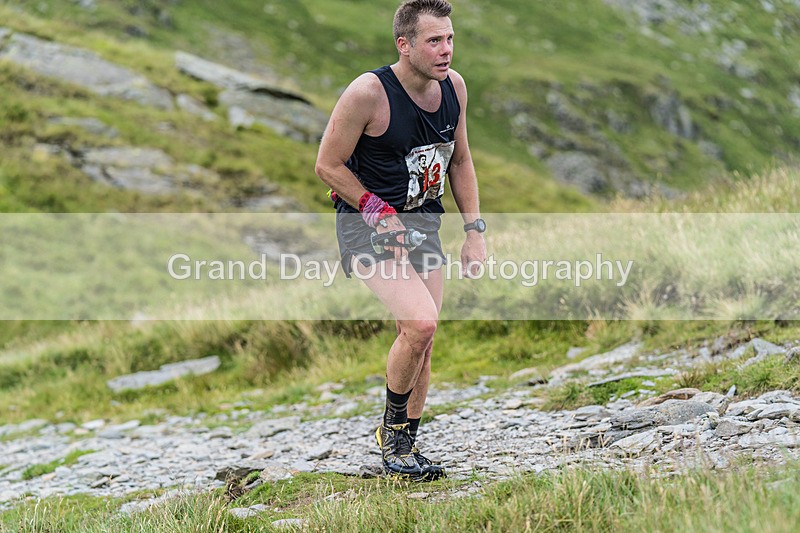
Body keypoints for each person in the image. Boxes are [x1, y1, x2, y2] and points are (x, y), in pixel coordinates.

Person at [315, 0, 486, 481]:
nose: (446, 50)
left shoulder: (454, 88)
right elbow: (327, 165)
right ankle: (391, 439)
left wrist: (474, 231)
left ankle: (405, 449)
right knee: (420, 323)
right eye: (434, 41)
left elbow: (461, 161)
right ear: (404, 45)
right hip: (367, 225)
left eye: (450, 38)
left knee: (421, 341)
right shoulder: (368, 93)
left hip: (423, 224)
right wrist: (375, 209)